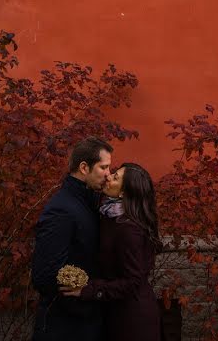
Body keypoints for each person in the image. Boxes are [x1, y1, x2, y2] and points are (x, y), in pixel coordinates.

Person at [62, 162, 162, 341]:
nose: (108, 176)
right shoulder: (110, 215)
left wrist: (88, 290)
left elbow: (132, 282)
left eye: (115, 177)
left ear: (124, 193)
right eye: (113, 172)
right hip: (117, 313)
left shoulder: (128, 229)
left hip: (132, 322)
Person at [31, 137, 113, 341]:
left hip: (87, 322)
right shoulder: (62, 209)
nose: (108, 174)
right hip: (66, 327)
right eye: (103, 167)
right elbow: (44, 275)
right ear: (84, 167)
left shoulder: (89, 202)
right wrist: (82, 292)